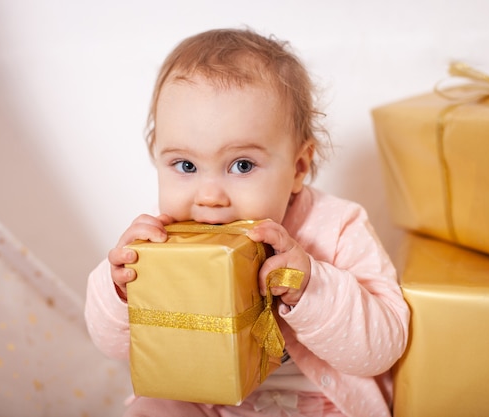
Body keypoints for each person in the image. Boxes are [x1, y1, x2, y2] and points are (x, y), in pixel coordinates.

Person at [84, 27, 409, 417]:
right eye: (185, 165)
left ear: (298, 167)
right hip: (208, 404)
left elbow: (383, 349)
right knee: (151, 407)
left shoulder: (338, 226)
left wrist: (311, 288)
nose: (209, 196)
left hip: (320, 406)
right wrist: (121, 290)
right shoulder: (160, 241)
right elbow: (114, 347)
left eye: (242, 165)